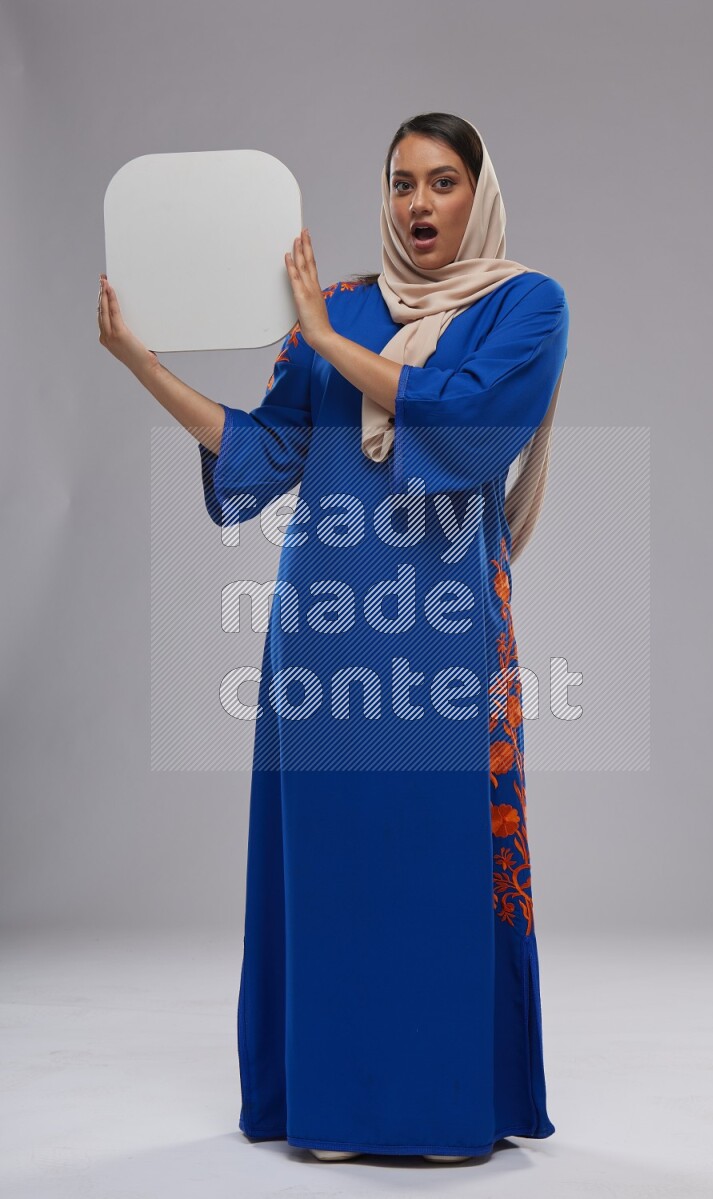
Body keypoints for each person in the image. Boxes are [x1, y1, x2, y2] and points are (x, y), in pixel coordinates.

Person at [98, 111, 569, 1165]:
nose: (417, 203)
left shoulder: (523, 305)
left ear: (476, 192)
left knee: (439, 856)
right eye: (401, 181)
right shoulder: (344, 304)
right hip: (323, 625)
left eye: (442, 181)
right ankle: (334, 1102)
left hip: (443, 621)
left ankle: (446, 1103)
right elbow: (264, 452)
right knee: (335, 861)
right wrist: (142, 362)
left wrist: (321, 339)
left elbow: (463, 418)